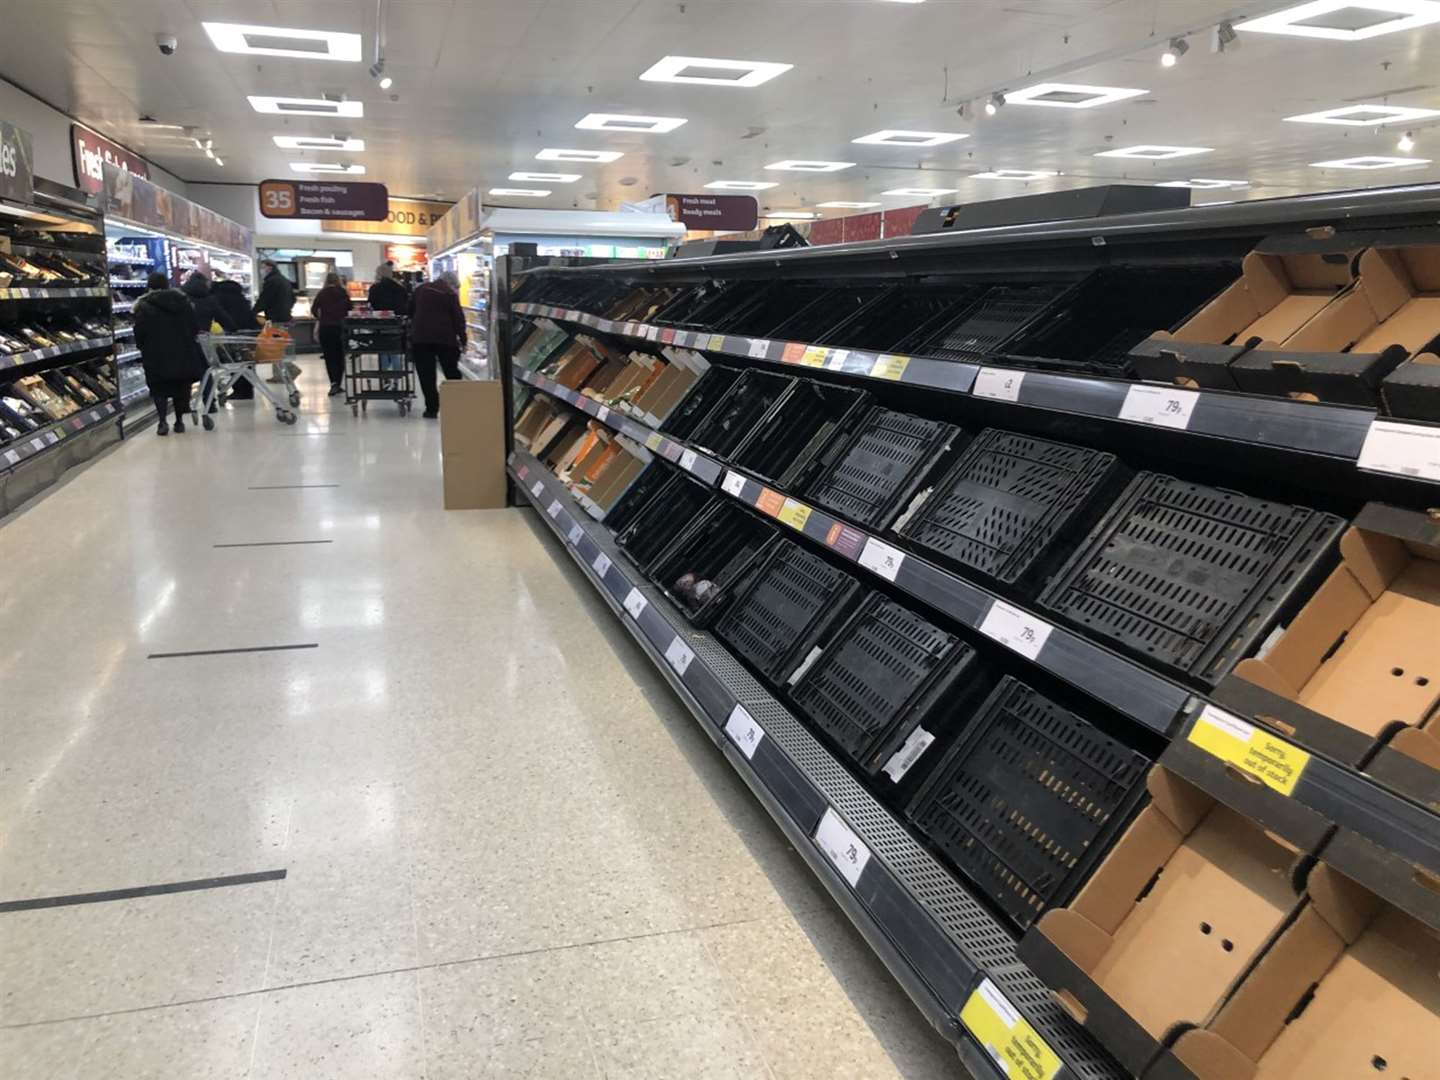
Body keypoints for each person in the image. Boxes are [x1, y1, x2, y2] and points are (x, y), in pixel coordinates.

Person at [133, 271, 201, 436]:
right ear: (167, 284)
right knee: (180, 387)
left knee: (158, 388)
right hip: (182, 351)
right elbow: (194, 326)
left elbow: (139, 330)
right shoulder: (184, 302)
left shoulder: (143, 305)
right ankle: (179, 422)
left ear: (149, 286)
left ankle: (162, 421)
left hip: (155, 353)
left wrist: (142, 346)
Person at [410, 270, 466, 418]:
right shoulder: (449, 294)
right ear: (452, 284)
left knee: (426, 375)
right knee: (452, 372)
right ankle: (458, 406)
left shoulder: (420, 290)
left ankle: (431, 409)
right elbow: (458, 319)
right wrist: (463, 339)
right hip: (445, 339)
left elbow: (409, 310)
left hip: (421, 339)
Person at [211, 275, 259, 399]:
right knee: (247, 361)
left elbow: (222, 317)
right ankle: (248, 390)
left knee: (233, 362)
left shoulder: (218, 297)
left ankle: (239, 390)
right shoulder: (240, 296)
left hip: (232, 333)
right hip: (248, 332)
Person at [253, 260, 296, 384]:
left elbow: (265, 299)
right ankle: (279, 374)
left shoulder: (272, 281)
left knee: (275, 347)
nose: (261, 270)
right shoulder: (284, 280)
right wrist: (287, 308)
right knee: (279, 346)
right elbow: (293, 298)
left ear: (269, 267)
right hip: (285, 317)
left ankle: (288, 371)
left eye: (262, 267)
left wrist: (253, 311)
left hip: (276, 318)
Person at [311, 271, 353, 396]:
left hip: (325, 328)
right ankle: (338, 383)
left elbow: (313, 310)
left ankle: (333, 383)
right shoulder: (343, 292)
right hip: (340, 328)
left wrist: (321, 317)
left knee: (329, 357)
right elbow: (349, 308)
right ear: (338, 280)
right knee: (340, 356)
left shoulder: (322, 293)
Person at [368, 263, 411, 372]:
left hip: (380, 322)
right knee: (395, 349)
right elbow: (405, 304)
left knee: (383, 350)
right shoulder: (399, 288)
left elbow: (372, 304)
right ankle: (396, 378)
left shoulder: (375, 288)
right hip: (396, 322)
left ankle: (385, 377)